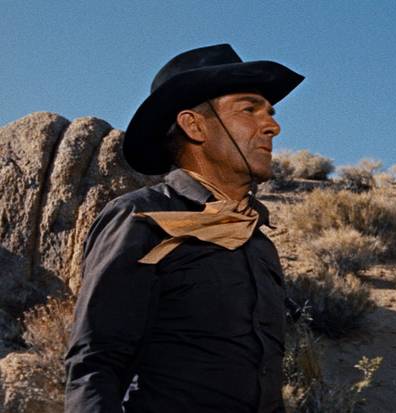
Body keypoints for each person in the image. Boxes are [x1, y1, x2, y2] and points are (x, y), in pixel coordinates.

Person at [64, 44, 304, 412]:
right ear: (194, 126)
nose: (272, 126)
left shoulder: (259, 243)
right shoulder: (143, 218)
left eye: (270, 113)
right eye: (249, 109)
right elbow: (96, 364)